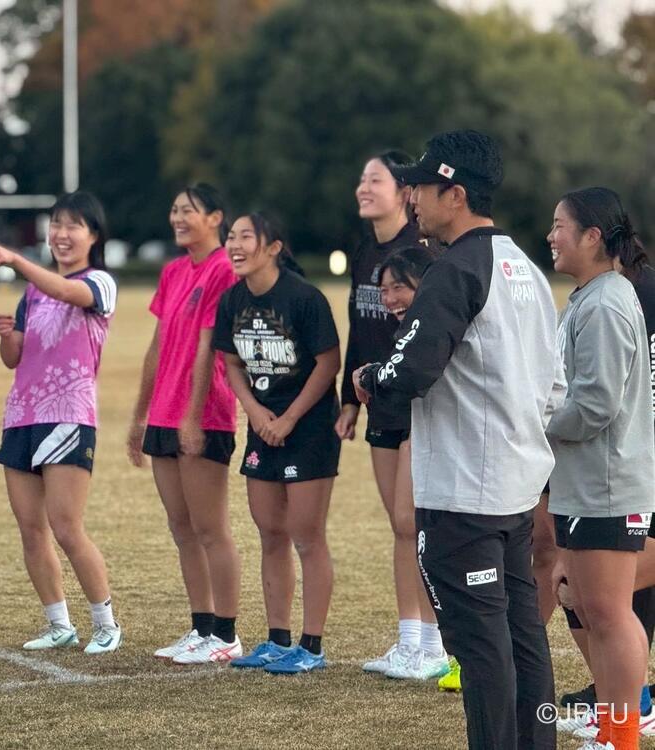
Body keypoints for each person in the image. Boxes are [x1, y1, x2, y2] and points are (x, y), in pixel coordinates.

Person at [353, 130, 559, 749]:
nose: (412, 197)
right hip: (516, 487)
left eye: (421, 186)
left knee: (482, 649)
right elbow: (554, 386)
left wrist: (370, 380)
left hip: (465, 495)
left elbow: (410, 370)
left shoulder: (455, 270)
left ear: (457, 194)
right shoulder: (526, 269)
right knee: (522, 638)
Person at [0, 191, 122, 655]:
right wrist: (7, 337)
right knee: (31, 529)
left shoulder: (99, 282)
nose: (61, 234)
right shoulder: (32, 292)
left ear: (94, 235)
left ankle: (106, 624)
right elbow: (14, 358)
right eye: (56, 225)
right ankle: (59, 623)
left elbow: (67, 292)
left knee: (66, 526)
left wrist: (15, 260)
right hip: (22, 415)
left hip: (68, 416)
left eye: (72, 226)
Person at [545, 187, 655, 750]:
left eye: (559, 225)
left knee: (610, 615)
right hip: (586, 484)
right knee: (590, 607)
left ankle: (623, 736)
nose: (550, 236)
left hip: (608, 487)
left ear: (593, 236)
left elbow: (594, 405)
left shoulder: (607, 303)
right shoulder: (591, 297)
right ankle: (614, 730)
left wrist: (536, 422)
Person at [211, 213, 339, 674]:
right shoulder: (233, 299)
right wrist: (254, 411)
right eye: (231, 237)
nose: (235, 244)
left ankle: (312, 646)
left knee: (307, 535)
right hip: (263, 427)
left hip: (307, 428)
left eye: (246, 236)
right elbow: (230, 363)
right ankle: (277, 639)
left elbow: (328, 363)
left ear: (273, 247)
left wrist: (288, 418)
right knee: (270, 533)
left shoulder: (304, 298)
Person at [338, 151, 447, 679]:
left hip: (417, 404)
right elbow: (358, 328)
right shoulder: (365, 251)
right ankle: (411, 642)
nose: (363, 187)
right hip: (377, 401)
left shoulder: (425, 251)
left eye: (374, 179)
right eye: (361, 178)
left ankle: (435, 643)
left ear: (405, 191)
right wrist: (348, 399)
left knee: (414, 523)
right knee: (401, 527)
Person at [127, 184, 243, 665]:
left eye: (188, 210)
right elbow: (157, 345)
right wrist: (140, 414)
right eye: (174, 209)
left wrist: (193, 416)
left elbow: (209, 347)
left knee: (210, 528)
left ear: (215, 218)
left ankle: (227, 634)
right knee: (182, 528)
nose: (177, 218)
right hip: (164, 413)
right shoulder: (173, 271)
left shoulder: (223, 269)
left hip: (205, 415)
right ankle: (201, 627)